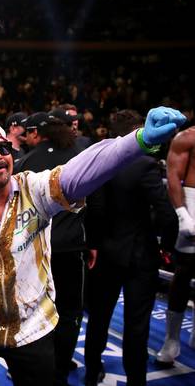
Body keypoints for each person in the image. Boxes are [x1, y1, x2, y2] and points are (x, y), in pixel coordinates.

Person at [0, 107, 185, 386]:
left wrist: (138, 140)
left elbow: (86, 167)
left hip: (33, 327)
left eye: (3, 148)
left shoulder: (34, 189)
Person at [84, 110, 177, 385]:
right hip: (139, 254)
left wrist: (94, 244)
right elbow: (166, 213)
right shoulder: (145, 163)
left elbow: (96, 208)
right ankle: (136, 380)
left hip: (105, 252)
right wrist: (167, 247)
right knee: (136, 324)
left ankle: (91, 373)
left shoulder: (101, 159)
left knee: (99, 318)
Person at [14, 112, 87, 386]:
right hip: (70, 247)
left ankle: (36, 369)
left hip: (34, 248)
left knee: (35, 310)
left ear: (36, 133)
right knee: (69, 312)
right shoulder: (78, 155)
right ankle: (59, 371)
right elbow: (96, 201)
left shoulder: (27, 161)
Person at [156, 122, 195, 365]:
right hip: (193, 204)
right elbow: (173, 176)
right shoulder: (187, 138)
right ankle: (171, 340)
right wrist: (183, 214)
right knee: (184, 272)